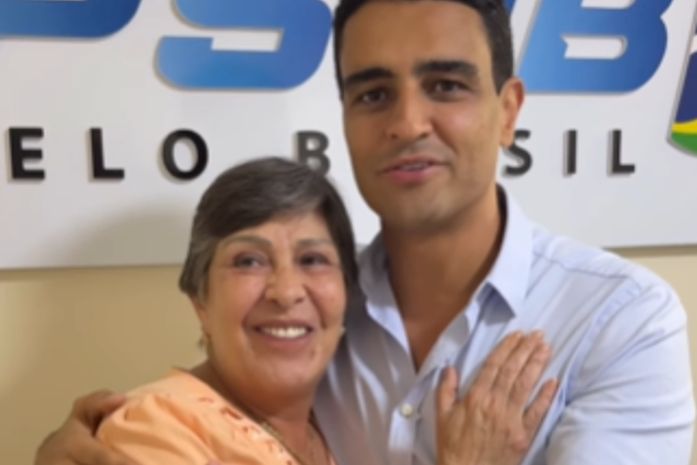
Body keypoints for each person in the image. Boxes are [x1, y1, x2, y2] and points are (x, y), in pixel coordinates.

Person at [35, 0, 694, 464]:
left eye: (445, 85)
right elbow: (201, 408)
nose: (407, 122)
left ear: (508, 110)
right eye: (373, 94)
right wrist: (90, 439)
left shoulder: (620, 320)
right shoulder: (311, 310)